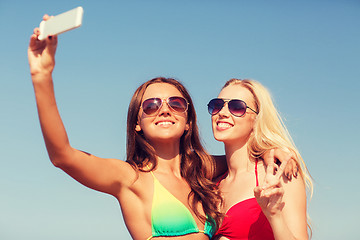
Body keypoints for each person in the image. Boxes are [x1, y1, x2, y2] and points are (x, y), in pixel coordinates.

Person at [28, 15, 296, 240]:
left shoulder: (202, 170)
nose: (164, 109)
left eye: (176, 103)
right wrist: (42, 76)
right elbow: (62, 156)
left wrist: (272, 150)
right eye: (151, 105)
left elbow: (243, 160)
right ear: (137, 123)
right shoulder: (129, 178)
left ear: (189, 120)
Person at [209, 79, 313, 240]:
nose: (222, 112)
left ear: (257, 119)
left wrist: (274, 215)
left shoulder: (279, 174)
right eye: (217, 105)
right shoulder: (211, 182)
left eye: (237, 107)